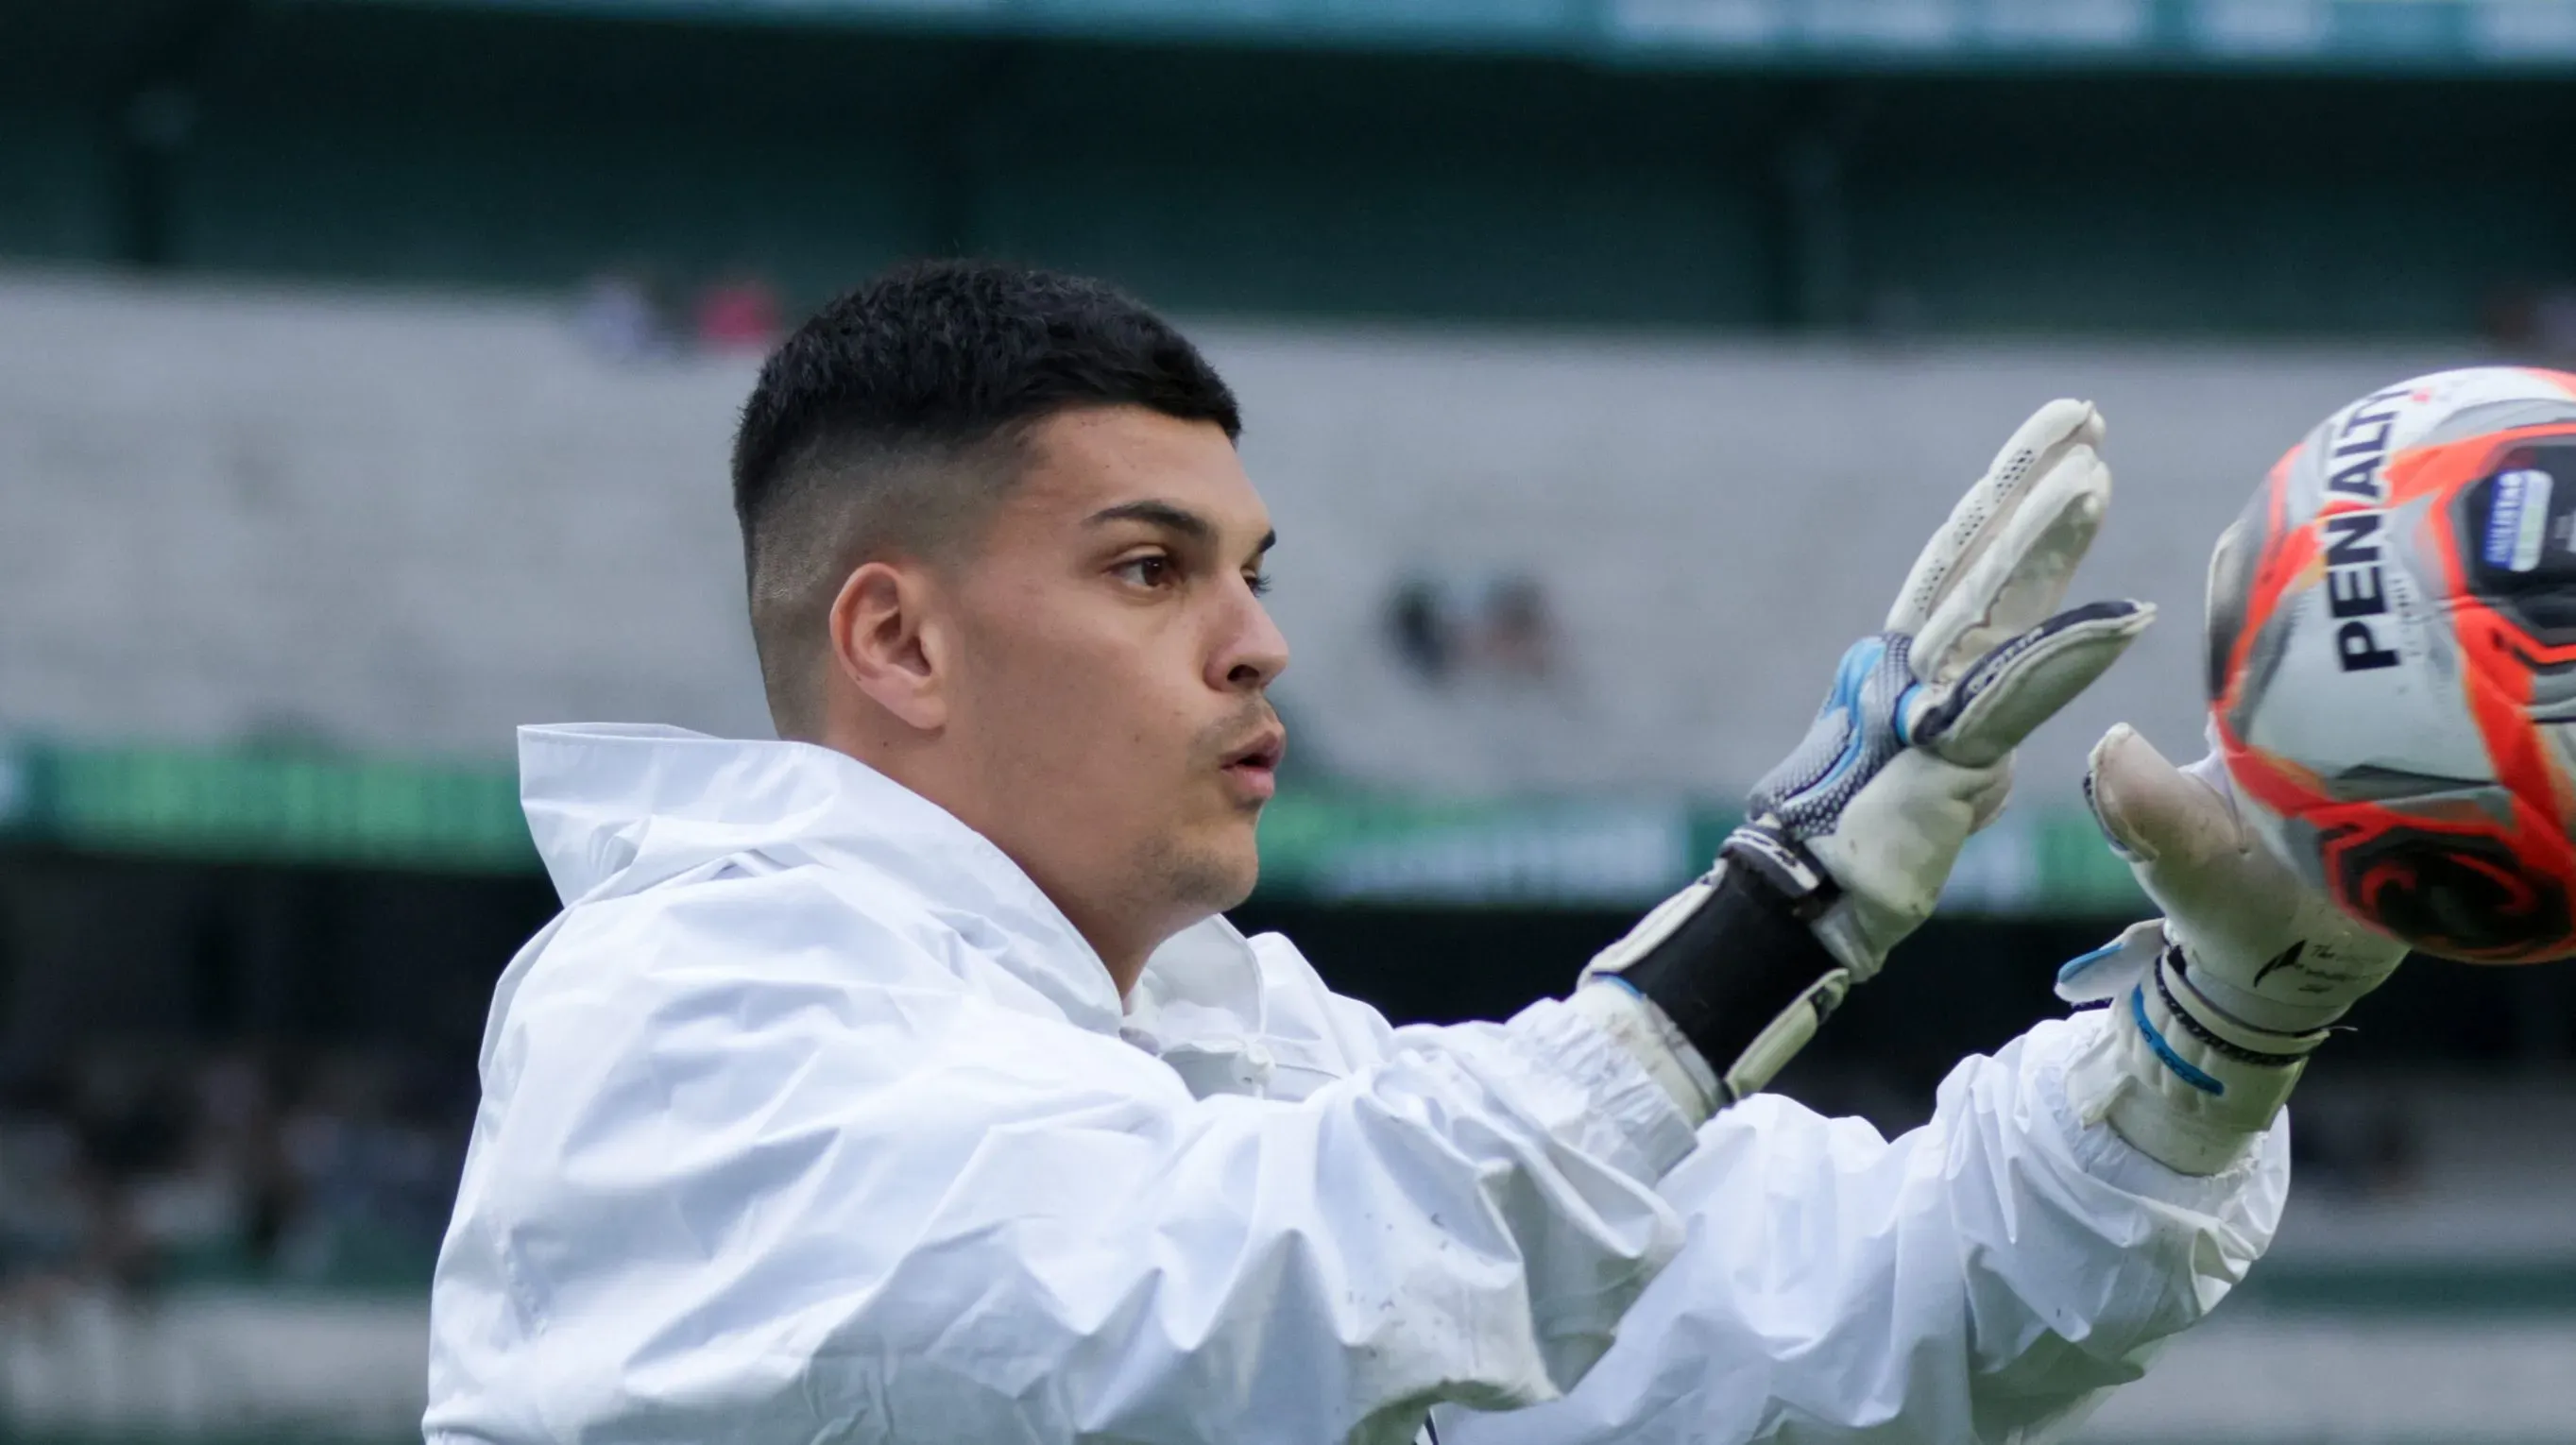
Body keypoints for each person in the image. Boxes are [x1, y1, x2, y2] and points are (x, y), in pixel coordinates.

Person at [425, 262, 2408, 1444]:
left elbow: (1876, 1305)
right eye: (1147, 570)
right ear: (897, 640)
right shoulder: (684, 1006)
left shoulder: (1245, 1061)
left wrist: (2212, 1032)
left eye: (1251, 573)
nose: (1258, 638)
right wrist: (1767, 918)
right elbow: (1217, 1309)